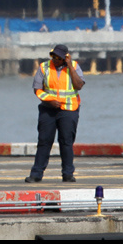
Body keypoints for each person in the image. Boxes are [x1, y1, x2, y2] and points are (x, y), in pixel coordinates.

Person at [26, 44, 85, 183]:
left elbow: (79, 85)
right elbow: (37, 89)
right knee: (44, 141)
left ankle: (68, 174)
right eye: (53, 56)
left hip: (69, 109)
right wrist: (50, 101)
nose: (55, 59)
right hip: (48, 108)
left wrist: (69, 66)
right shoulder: (44, 67)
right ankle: (36, 174)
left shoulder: (75, 67)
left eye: (59, 57)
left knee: (66, 142)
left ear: (66, 57)